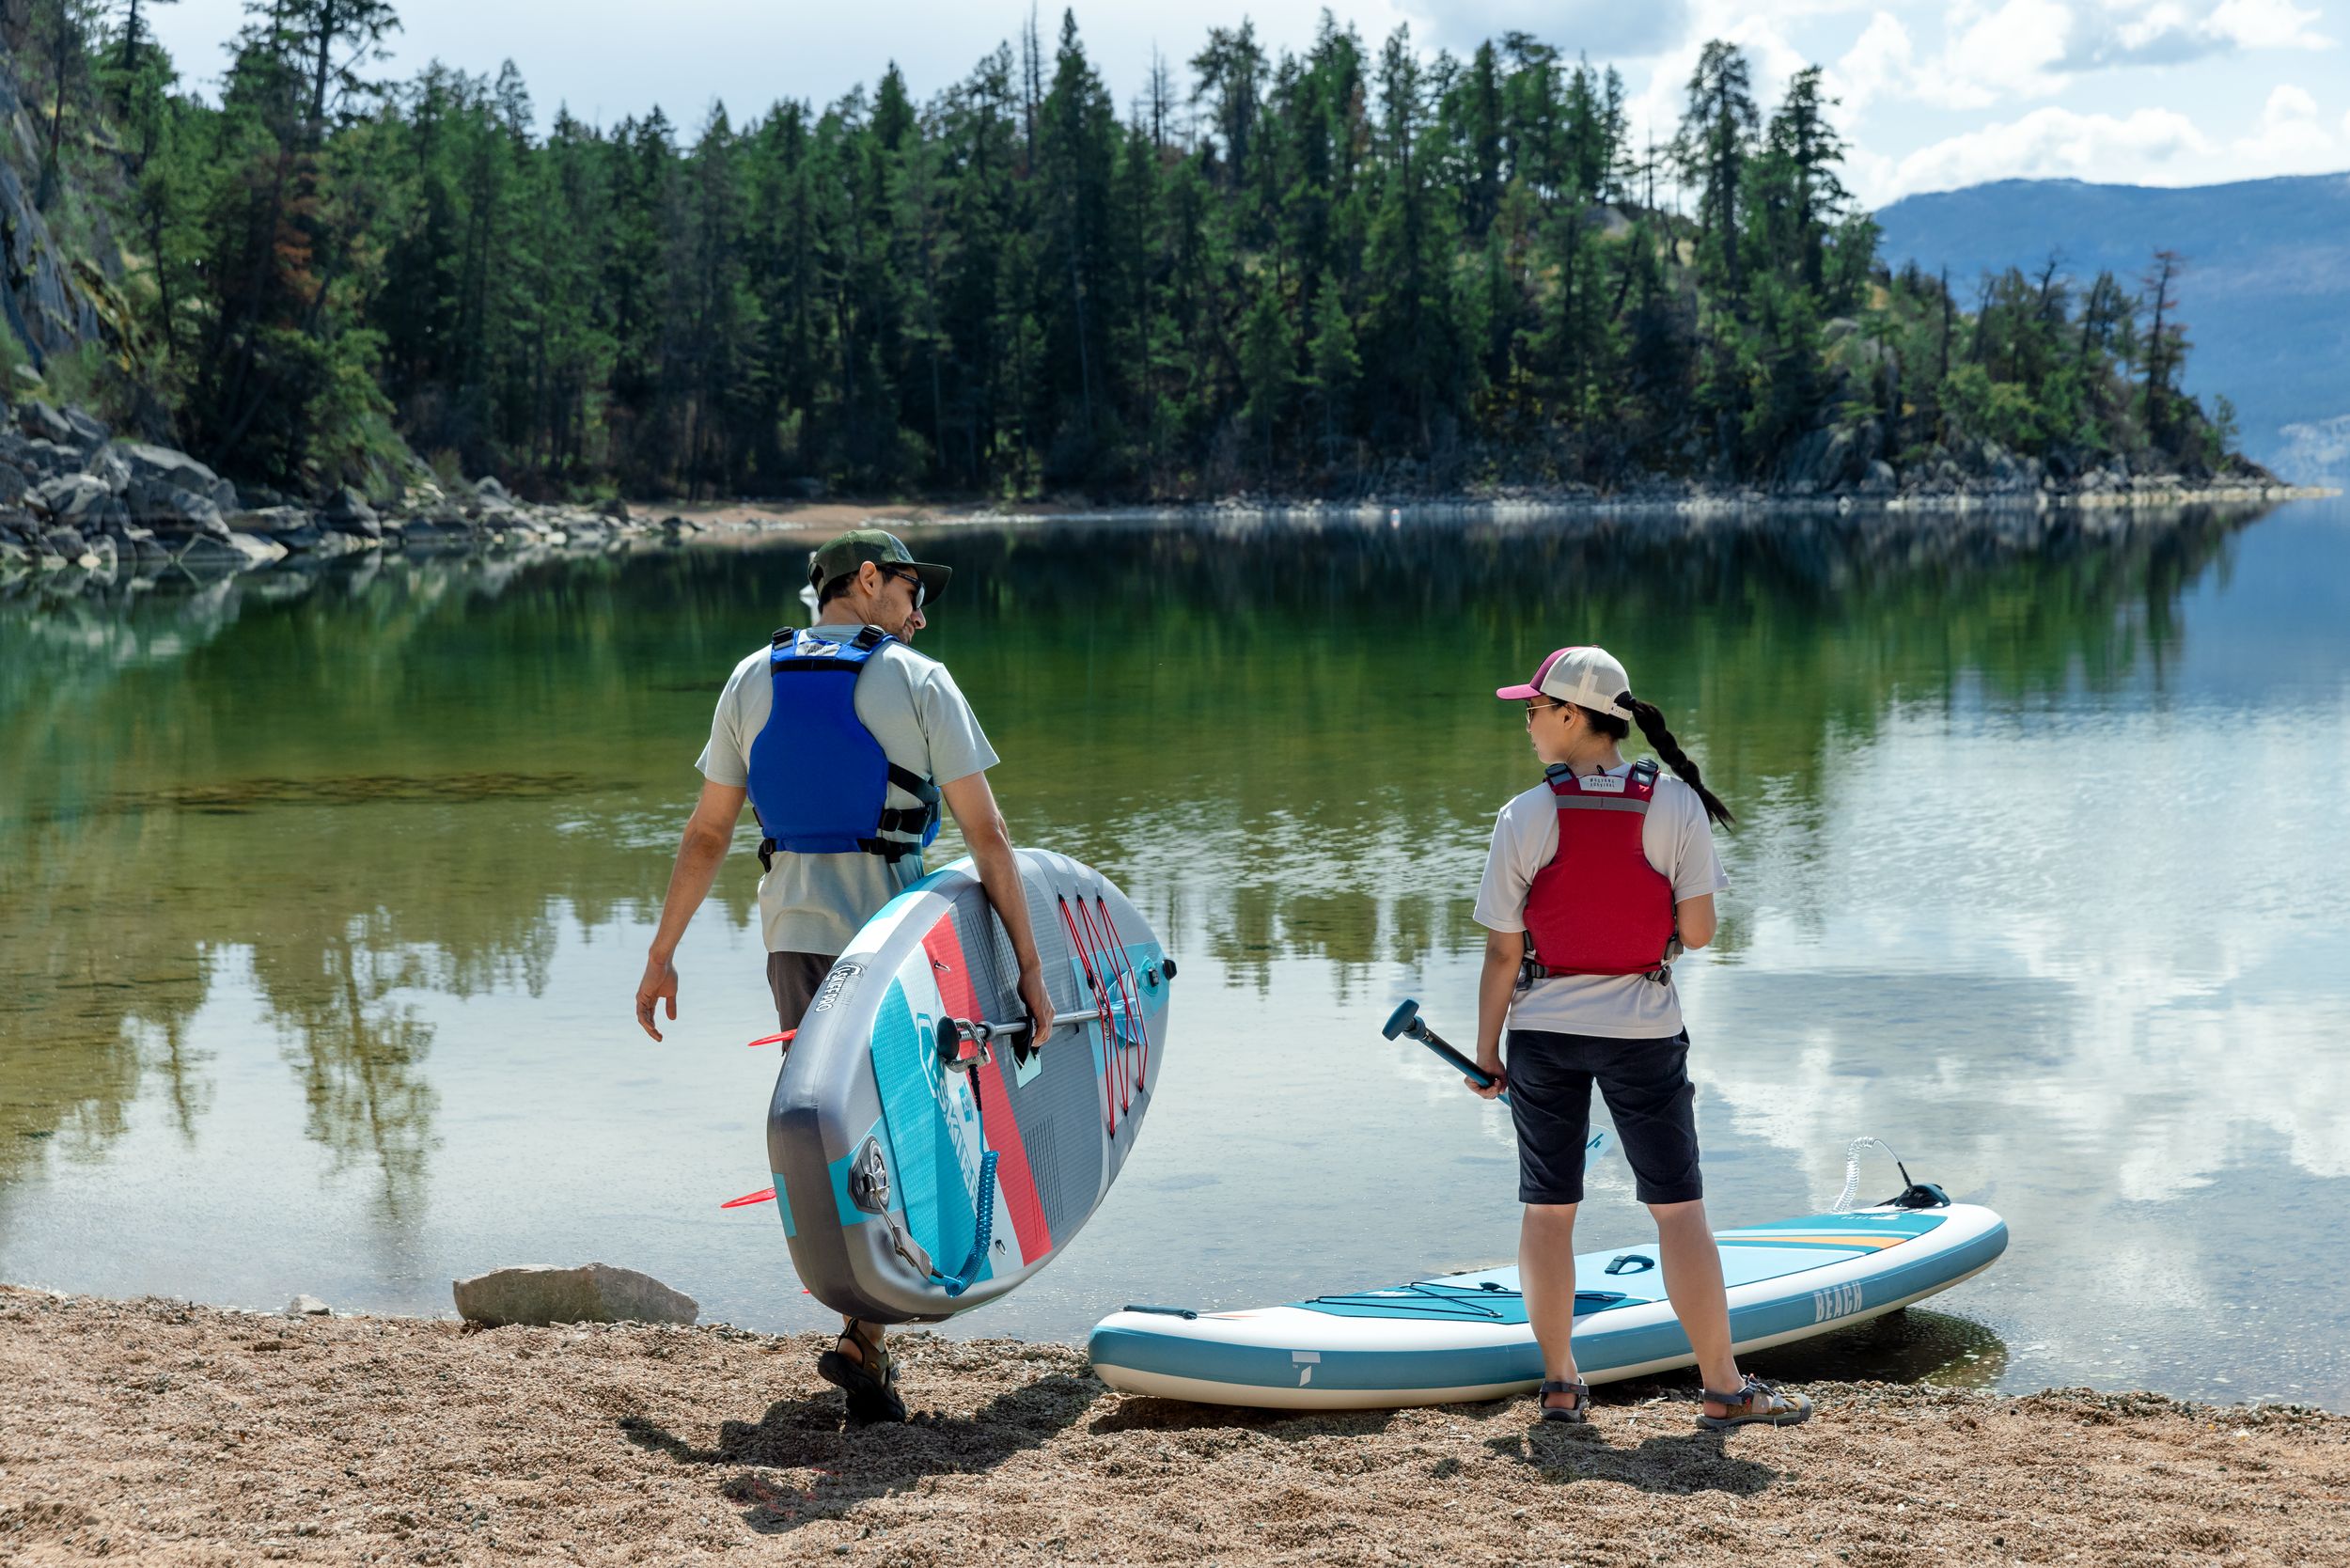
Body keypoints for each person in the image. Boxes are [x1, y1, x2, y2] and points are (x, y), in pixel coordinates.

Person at [634, 527, 1055, 1425]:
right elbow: (990, 840)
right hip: (896, 943)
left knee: (837, 1132)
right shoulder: (920, 679)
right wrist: (1029, 968)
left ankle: (863, 1334)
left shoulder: (751, 680)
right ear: (864, 581)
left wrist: (661, 952)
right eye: (909, 590)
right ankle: (866, 1335)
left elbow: (708, 833)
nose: (918, 610)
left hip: (794, 940)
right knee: (910, 1131)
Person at [1469, 645, 1810, 1432]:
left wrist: (1487, 1054)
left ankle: (1560, 1386)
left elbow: (1502, 952)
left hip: (1544, 1035)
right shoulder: (1675, 805)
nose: (1526, 723)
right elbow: (1698, 931)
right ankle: (1723, 1389)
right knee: (1679, 1209)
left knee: (1549, 1212)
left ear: (1570, 715)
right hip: (1645, 1031)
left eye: (1533, 709)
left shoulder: (1524, 815)